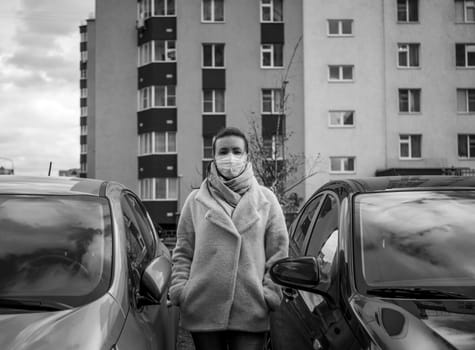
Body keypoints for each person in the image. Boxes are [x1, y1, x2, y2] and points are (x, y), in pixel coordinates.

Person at [170, 127, 289, 350]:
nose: (230, 158)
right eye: (223, 151)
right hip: (203, 306)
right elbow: (183, 252)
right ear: (213, 157)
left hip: (251, 308)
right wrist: (181, 290)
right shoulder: (195, 201)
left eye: (236, 151)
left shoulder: (266, 200)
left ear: (247, 156)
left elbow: (278, 254)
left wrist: (270, 294)